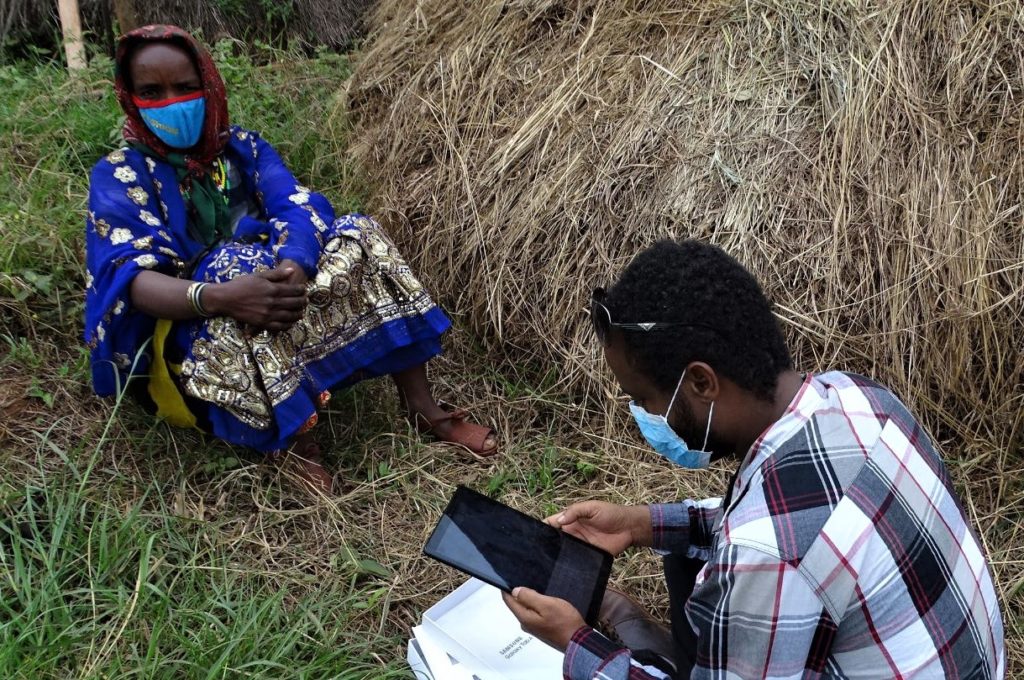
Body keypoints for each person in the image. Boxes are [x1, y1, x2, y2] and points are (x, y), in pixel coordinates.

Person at [503, 240, 1005, 678]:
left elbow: (778, 544)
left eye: (645, 398)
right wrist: (641, 525)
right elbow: (803, 520)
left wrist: (576, 644)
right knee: (688, 564)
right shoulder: (856, 396)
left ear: (701, 382)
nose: (644, 415)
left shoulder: (764, 557)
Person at [84, 25, 498, 493]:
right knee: (231, 264)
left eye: (185, 87)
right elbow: (131, 279)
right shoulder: (119, 175)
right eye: (151, 92)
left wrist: (292, 267)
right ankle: (293, 442)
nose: (173, 104)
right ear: (130, 97)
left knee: (360, 234)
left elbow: (294, 204)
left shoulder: (242, 148)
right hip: (190, 327)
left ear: (208, 84)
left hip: (272, 291)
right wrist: (221, 296)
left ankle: (424, 409)